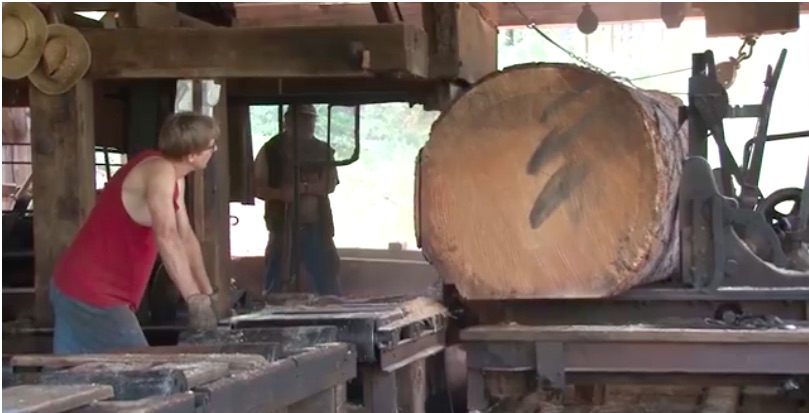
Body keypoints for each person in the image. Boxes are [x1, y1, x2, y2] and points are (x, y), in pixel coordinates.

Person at [50, 111, 221, 355]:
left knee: (79, 374)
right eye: (211, 147)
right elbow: (167, 236)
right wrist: (192, 298)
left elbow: (185, 236)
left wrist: (206, 293)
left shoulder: (175, 177)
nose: (213, 152)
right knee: (142, 372)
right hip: (92, 292)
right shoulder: (159, 170)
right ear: (193, 155)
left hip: (83, 287)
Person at [253, 104, 341, 295]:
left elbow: (330, 184)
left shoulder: (323, 150)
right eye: (301, 119)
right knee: (275, 283)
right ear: (287, 121)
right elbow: (257, 187)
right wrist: (279, 194)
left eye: (309, 119)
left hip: (317, 227)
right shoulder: (270, 150)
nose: (306, 124)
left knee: (328, 281)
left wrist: (303, 188)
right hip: (282, 228)